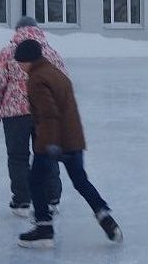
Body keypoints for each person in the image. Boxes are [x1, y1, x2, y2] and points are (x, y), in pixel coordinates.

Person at [13, 38, 122, 249]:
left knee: (35, 181)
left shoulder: (36, 79)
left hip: (53, 140)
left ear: (28, 60)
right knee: (80, 181)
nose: (19, 66)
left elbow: (49, 113)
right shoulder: (56, 72)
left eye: (20, 62)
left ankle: (44, 229)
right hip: (73, 139)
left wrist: (51, 144)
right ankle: (105, 217)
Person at [0, 15, 65, 216]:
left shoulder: (8, 52)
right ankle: (51, 198)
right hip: (44, 111)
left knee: (17, 156)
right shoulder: (50, 52)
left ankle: (22, 201)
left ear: (17, 31)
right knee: (47, 154)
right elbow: (62, 82)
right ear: (37, 30)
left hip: (15, 114)